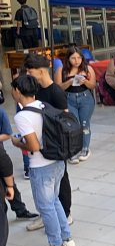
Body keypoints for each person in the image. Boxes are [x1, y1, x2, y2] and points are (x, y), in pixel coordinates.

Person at [11, 75, 75, 246]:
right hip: (57, 161)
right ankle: (67, 237)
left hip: (41, 165)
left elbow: (33, 146)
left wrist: (17, 143)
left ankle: (56, 244)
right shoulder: (44, 106)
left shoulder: (22, 116)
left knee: (45, 206)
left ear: (17, 91)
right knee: (54, 200)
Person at [23, 54, 74, 230]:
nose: (28, 74)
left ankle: (66, 213)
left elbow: (65, 121)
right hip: (42, 142)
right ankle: (47, 215)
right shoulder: (36, 90)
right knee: (47, 186)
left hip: (57, 143)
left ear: (42, 71)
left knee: (62, 179)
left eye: (30, 71)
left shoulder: (56, 92)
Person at [55, 45, 96, 164]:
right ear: (68, 59)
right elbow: (58, 88)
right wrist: (69, 82)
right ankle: (74, 150)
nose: (76, 61)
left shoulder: (88, 69)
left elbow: (93, 85)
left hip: (85, 98)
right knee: (73, 125)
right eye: (73, 58)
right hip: (69, 98)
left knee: (84, 124)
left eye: (79, 58)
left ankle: (85, 148)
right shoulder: (62, 70)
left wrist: (86, 82)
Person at [0, 106, 38, 222]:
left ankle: (20, 210)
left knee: (8, 183)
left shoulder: (1, 112)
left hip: (1, 157)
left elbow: (7, 133)